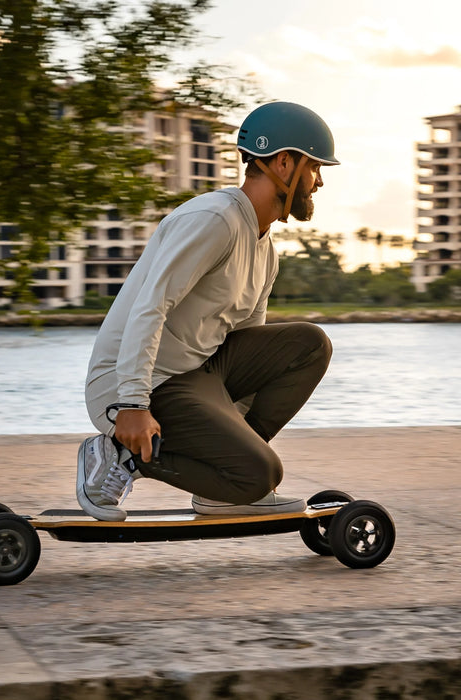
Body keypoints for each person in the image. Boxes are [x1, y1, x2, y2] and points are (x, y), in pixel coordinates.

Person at [77, 101, 340, 521]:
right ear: (285, 163)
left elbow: (246, 346)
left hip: (197, 375)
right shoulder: (215, 220)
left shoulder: (264, 248)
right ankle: (118, 455)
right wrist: (132, 404)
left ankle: (223, 483)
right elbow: (150, 307)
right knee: (263, 473)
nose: (320, 181)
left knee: (309, 345)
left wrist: (230, 441)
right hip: (137, 385)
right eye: (315, 167)